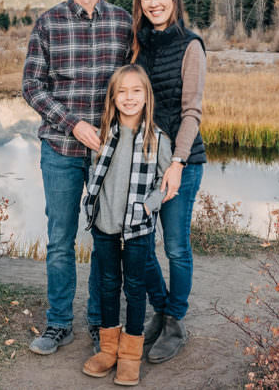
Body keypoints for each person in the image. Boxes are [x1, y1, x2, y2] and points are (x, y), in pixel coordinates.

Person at [22, 0, 133, 355]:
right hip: (60, 151)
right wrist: (73, 124)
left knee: (107, 238)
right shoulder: (48, 23)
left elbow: (135, 84)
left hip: (111, 152)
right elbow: (31, 86)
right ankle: (58, 325)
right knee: (59, 240)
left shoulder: (123, 23)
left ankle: (99, 324)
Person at [131, 0, 207, 363]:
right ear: (140, 4)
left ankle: (175, 321)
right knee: (138, 244)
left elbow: (192, 112)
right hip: (142, 163)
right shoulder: (138, 44)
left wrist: (176, 162)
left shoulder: (191, 45)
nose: (154, 3)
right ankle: (161, 308)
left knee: (176, 247)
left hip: (182, 162)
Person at [81, 64, 172, 385]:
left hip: (138, 230)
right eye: (122, 91)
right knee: (107, 287)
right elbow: (95, 175)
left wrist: (147, 208)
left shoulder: (158, 139)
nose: (129, 97)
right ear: (113, 97)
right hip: (104, 226)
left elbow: (165, 181)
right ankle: (109, 350)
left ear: (147, 96)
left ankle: (131, 356)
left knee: (135, 290)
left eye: (137, 91)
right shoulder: (103, 134)